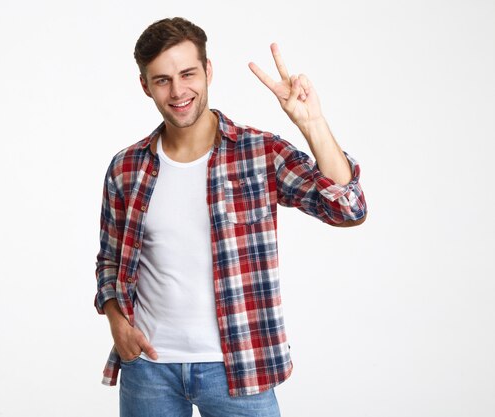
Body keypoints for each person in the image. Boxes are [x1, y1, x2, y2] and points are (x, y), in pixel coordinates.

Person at [94, 17, 367, 417]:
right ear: (145, 86)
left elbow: (348, 208)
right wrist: (117, 324)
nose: (178, 90)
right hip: (148, 370)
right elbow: (109, 262)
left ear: (208, 70)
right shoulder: (126, 168)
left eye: (188, 73)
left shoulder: (259, 153)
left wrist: (312, 123)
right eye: (162, 80)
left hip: (239, 368)